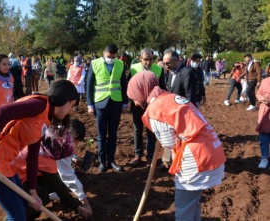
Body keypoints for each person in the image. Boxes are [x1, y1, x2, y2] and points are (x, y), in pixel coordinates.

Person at [0, 80, 78, 220]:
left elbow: (32, 157)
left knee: (23, 204)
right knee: (17, 215)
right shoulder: (39, 105)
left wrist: (33, 193)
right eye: (72, 105)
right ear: (66, 101)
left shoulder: (44, 117)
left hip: (6, 163)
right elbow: (2, 111)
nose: (70, 109)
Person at [127, 71, 226, 221]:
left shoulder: (155, 109)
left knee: (183, 208)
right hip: (211, 149)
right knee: (192, 202)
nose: (134, 102)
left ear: (142, 90)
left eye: (134, 97)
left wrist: (161, 134)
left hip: (196, 158)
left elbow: (169, 143)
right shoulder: (170, 97)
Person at [14, 119, 92, 219]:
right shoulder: (49, 157)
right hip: (14, 180)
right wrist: (81, 206)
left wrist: (73, 158)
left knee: (50, 184)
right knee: (41, 196)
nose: (74, 145)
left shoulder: (53, 134)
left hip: (21, 171)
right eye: (74, 141)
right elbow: (64, 182)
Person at [86, 44, 128, 173]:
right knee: (101, 135)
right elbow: (89, 85)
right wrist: (90, 104)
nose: (111, 58)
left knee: (113, 134)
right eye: (109, 56)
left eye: (113, 57)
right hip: (100, 104)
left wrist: (125, 103)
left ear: (117, 55)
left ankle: (111, 161)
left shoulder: (120, 64)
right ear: (104, 53)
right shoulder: (95, 63)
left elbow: (123, 84)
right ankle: (101, 162)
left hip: (115, 103)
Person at [128, 48, 167, 167]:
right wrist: (134, 99)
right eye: (145, 59)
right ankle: (138, 155)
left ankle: (150, 157)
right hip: (137, 106)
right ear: (140, 58)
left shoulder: (158, 69)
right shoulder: (133, 68)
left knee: (151, 132)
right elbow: (129, 86)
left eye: (150, 59)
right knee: (137, 131)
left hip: (152, 107)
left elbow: (162, 88)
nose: (148, 62)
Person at [256, 77, 270, 168]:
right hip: (265, 112)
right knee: (264, 137)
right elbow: (258, 93)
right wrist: (262, 98)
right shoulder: (265, 81)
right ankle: (264, 158)